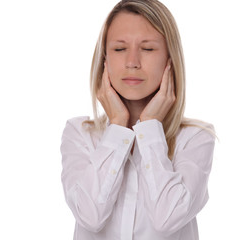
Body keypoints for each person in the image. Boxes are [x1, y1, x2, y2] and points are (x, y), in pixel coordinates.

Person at [60, 0, 215, 239]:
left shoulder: (195, 138)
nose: (132, 62)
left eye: (148, 49)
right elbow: (90, 216)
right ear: (105, 60)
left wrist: (150, 126)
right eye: (120, 49)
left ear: (169, 61)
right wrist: (118, 127)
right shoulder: (80, 134)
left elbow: (167, 219)